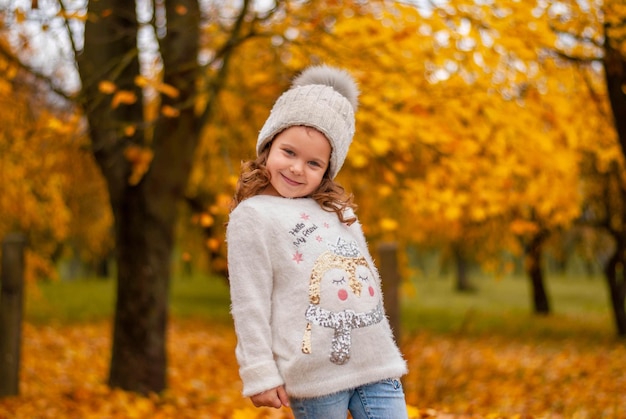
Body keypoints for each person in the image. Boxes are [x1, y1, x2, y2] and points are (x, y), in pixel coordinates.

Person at [226, 64, 408, 419]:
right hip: (315, 375)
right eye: (288, 152)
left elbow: (366, 278)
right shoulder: (253, 216)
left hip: (376, 364)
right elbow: (250, 302)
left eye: (314, 163)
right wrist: (259, 371)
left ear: (328, 169)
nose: (297, 168)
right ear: (268, 146)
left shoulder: (338, 211)